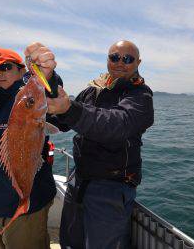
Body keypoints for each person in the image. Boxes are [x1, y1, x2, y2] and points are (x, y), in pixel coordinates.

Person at [41, 40, 154, 248]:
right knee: (70, 241)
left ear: (138, 62)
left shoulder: (140, 95)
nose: (120, 62)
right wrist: (48, 77)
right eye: (114, 57)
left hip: (111, 187)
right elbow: (63, 116)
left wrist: (69, 110)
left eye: (127, 59)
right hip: (79, 180)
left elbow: (116, 124)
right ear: (107, 60)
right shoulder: (93, 90)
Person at [0, 45, 61, 249]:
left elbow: (49, 92)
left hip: (24, 207)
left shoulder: (25, 96)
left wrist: (47, 73)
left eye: (5, 67)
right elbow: (5, 143)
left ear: (21, 70)